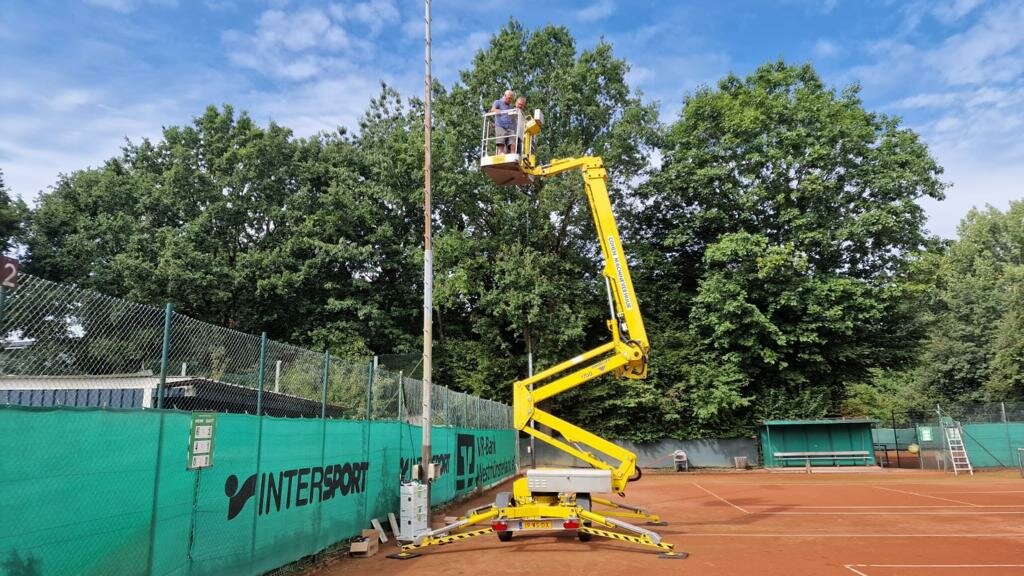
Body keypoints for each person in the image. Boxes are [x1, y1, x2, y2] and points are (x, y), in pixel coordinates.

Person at [489, 89, 516, 154]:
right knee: (501, 139)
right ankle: (500, 153)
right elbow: (492, 109)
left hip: (509, 126)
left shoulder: (510, 106)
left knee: (513, 137)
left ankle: (512, 153)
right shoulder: (498, 102)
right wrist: (496, 110)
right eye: (509, 98)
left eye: (511, 99)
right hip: (500, 125)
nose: (510, 100)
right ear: (505, 96)